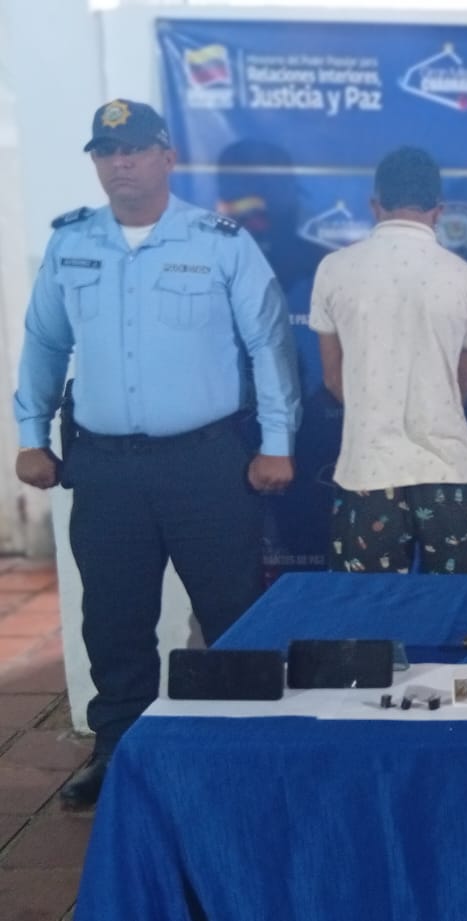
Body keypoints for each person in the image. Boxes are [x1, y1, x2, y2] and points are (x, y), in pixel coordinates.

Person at [12, 99, 301, 808]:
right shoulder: (71, 243)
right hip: (104, 468)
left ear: (167, 156)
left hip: (205, 463)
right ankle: (119, 750)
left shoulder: (219, 241)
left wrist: (277, 442)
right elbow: (45, 343)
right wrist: (30, 435)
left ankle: (245, 746)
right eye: (108, 152)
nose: (122, 163)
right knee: (113, 618)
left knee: (232, 610)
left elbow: (269, 343)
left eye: (136, 149)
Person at [309, 146, 467, 575]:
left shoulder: (333, 269)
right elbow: (461, 387)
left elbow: (333, 378)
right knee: (465, 605)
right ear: (439, 209)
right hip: (448, 471)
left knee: (366, 610)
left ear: (375, 204)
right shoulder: (465, 278)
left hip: (367, 469)